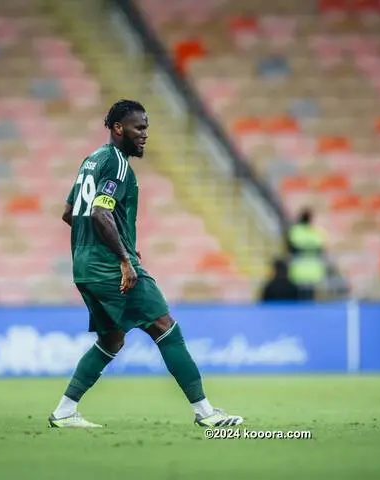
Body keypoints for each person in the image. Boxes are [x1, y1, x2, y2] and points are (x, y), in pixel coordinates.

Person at [49, 99, 243, 429]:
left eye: (146, 128)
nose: (144, 134)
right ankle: (206, 413)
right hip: (110, 267)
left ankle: (65, 411)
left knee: (112, 340)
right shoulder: (117, 164)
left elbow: (70, 212)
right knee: (165, 327)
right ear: (118, 128)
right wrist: (124, 258)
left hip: (83, 267)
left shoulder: (91, 161)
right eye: (139, 127)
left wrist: (113, 243)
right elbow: (99, 211)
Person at [285, 208, 326, 300]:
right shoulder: (316, 232)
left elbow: (290, 248)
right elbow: (321, 249)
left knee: (299, 300)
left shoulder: (294, 231)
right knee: (310, 298)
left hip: (298, 271)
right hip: (313, 270)